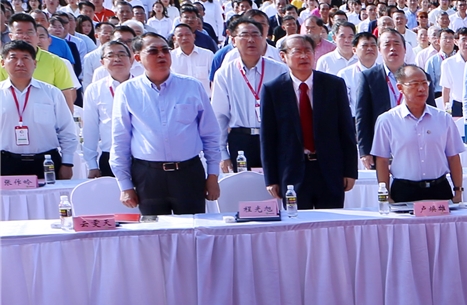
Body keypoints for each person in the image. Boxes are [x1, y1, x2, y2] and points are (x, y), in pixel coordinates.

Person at [112, 33, 224, 215]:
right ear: (138, 58)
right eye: (153, 51)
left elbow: (210, 134)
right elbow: (120, 140)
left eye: (165, 50)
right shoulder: (127, 91)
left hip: (188, 173)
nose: (161, 55)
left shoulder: (192, 87)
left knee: (192, 233)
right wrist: (125, 185)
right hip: (148, 176)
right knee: (154, 236)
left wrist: (212, 176)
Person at [261, 34, 359, 209]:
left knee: (332, 228)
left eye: (308, 51)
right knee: (298, 229)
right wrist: (271, 179)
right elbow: (268, 138)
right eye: (297, 51)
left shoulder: (333, 85)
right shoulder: (273, 90)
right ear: (283, 56)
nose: (304, 56)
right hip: (292, 171)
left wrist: (350, 171)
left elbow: (346, 130)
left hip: (329, 170)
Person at [369, 64, 464, 203]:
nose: (421, 89)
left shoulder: (443, 118)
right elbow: (382, 161)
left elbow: (453, 157)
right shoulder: (387, 120)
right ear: (400, 88)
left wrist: (458, 190)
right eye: (414, 84)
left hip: (439, 189)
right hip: (404, 190)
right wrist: (386, 195)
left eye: (424, 83)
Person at [209, 18, 286, 174]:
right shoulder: (225, 73)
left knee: (276, 190)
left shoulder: (280, 71)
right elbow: (219, 116)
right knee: (245, 193)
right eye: (244, 35)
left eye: (256, 34)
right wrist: (222, 152)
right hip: (241, 140)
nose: (251, 40)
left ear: (264, 38)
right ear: (234, 40)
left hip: (274, 138)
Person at [0, 40, 77, 179]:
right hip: (5, 163)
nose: (20, 63)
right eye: (13, 58)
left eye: (25, 58)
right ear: (3, 63)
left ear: (34, 63)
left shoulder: (52, 93)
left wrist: (67, 163)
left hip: (46, 162)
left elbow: (67, 130)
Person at [356, 29, 431, 169]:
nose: (392, 48)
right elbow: (362, 116)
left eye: (396, 43)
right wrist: (365, 151)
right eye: (387, 44)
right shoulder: (368, 77)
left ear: (405, 48)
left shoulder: (421, 75)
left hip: (417, 142)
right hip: (383, 145)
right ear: (379, 49)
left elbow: (431, 110)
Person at [79, 39, 134, 178]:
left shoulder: (143, 86)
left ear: (132, 60)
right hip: (110, 156)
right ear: (102, 63)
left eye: (122, 54)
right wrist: (92, 164)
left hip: (142, 156)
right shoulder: (95, 90)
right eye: (111, 55)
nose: (117, 59)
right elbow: (90, 128)